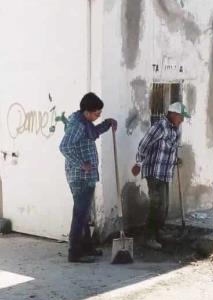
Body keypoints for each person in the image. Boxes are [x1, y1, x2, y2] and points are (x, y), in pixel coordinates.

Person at [59, 92, 117, 263]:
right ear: (87, 111)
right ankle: (75, 252)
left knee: (84, 215)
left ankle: (87, 248)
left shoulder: (85, 123)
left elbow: (92, 133)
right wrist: (81, 164)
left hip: (86, 176)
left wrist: (107, 124)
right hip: (80, 177)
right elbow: (64, 147)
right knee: (80, 214)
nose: (98, 116)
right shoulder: (77, 125)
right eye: (97, 114)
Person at [131, 102, 190, 250]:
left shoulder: (175, 129)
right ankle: (149, 237)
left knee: (164, 206)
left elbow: (170, 148)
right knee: (156, 205)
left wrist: (175, 159)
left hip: (165, 173)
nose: (182, 120)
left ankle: (158, 233)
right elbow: (143, 144)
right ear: (174, 114)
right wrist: (138, 163)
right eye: (181, 117)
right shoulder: (160, 127)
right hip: (154, 171)